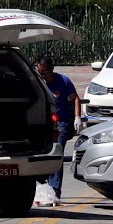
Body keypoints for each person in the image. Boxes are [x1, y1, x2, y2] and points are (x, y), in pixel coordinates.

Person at [37, 54, 83, 200]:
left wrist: (77, 117)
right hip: (42, 124)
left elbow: (75, 98)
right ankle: (44, 189)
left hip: (61, 123)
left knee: (56, 155)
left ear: (51, 69)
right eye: (40, 72)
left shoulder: (63, 81)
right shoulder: (37, 81)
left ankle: (55, 190)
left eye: (45, 72)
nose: (43, 75)